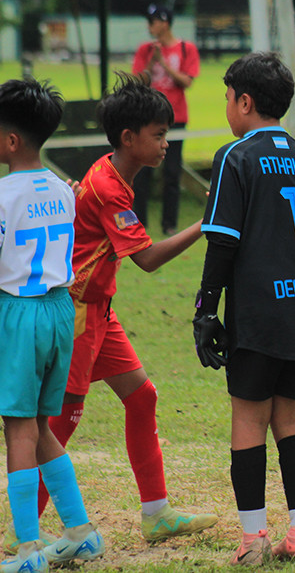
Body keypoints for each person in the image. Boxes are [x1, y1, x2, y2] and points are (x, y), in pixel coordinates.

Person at [41, 73, 218, 544]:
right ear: (128, 137)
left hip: (99, 310)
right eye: (158, 135)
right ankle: (27, 532)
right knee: (60, 421)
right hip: (78, 313)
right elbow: (148, 259)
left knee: (142, 397)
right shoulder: (109, 188)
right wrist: (206, 223)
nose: (165, 143)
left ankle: (156, 514)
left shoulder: (114, 175)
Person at [193, 52, 295, 566]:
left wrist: (207, 310)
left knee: (249, 418)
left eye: (228, 98)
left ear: (245, 102)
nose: (228, 106)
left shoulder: (236, 155)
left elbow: (222, 242)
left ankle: (253, 541)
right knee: (291, 416)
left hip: (260, 309)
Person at [0, 79, 105, 572]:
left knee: (18, 428)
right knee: (41, 424)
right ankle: (81, 531)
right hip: (61, 311)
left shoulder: (4, 194)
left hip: (20, 312)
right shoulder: (64, 188)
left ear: (11, 140)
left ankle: (27, 550)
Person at [131, 3, 200, 236]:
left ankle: (169, 224)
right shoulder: (145, 50)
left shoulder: (186, 49)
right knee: (142, 172)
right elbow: (137, 81)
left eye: (153, 21)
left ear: (165, 23)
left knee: (172, 172)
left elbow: (187, 81)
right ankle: (139, 223)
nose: (149, 26)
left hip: (176, 117)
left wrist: (165, 64)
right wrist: (152, 62)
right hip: (148, 116)